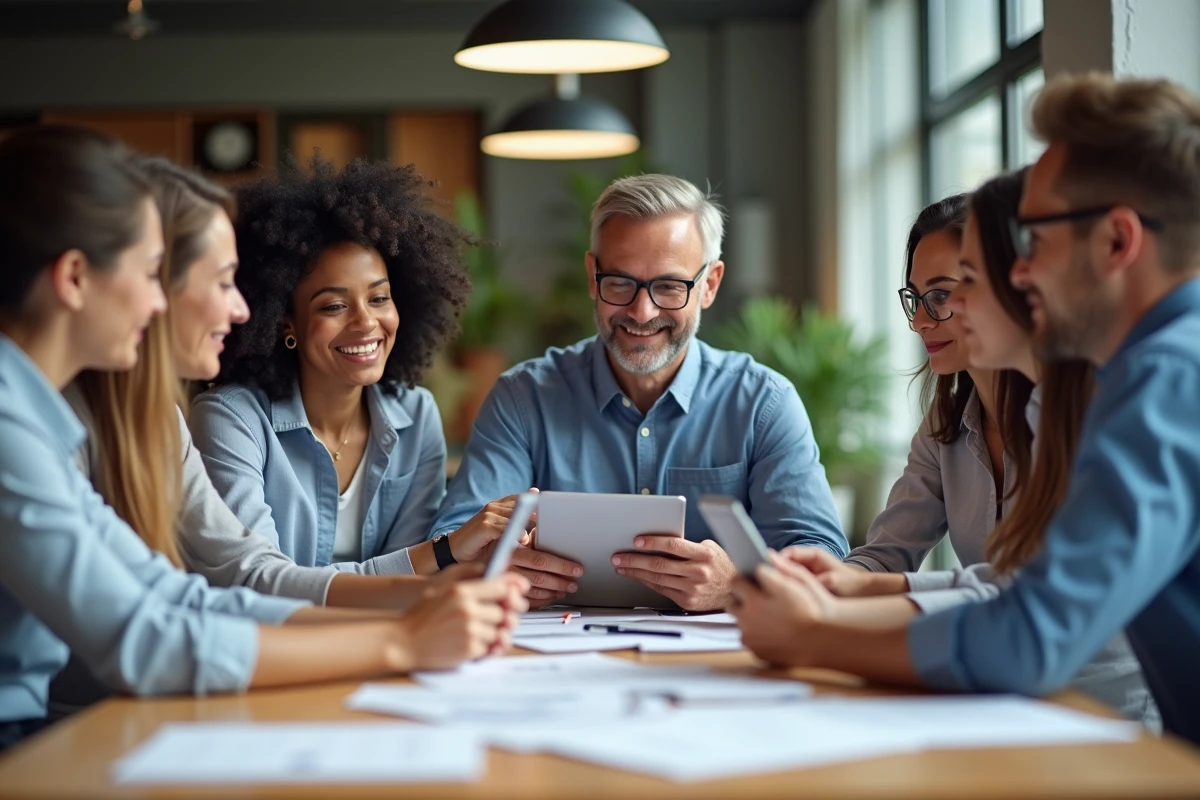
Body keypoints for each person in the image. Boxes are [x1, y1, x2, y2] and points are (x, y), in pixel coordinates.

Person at [0, 126, 525, 750]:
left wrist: (420, 602)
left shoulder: (64, 416)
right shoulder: (17, 427)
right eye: (151, 271)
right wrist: (403, 635)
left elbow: (177, 594)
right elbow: (146, 638)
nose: (242, 310)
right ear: (77, 278)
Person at [730, 73, 1200, 745]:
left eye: (1032, 241)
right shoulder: (1150, 373)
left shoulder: (1167, 381)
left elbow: (1029, 636)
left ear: (1118, 242)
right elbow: (1021, 592)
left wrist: (810, 638)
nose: (1019, 272)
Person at [68, 157, 477, 610]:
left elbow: (178, 606)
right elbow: (250, 582)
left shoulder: (160, 423)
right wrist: (434, 572)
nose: (239, 310)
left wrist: (430, 599)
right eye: (223, 284)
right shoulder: (218, 416)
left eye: (379, 298)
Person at [431, 174, 848, 611]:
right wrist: (496, 568)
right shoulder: (523, 398)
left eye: (669, 286)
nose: (641, 311)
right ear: (593, 277)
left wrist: (736, 585)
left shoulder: (764, 403)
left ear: (708, 285)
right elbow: (454, 543)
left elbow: (824, 557)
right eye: (620, 282)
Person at [190, 157, 522, 578]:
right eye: (334, 305)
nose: (366, 322)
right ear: (284, 320)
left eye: (379, 298)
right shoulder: (231, 419)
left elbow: (411, 583)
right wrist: (443, 552)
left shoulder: (416, 417)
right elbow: (258, 581)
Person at [838, 193, 1036, 591]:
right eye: (915, 299)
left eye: (941, 296)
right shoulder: (946, 424)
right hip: (990, 648)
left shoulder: (1069, 413)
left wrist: (880, 589)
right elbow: (886, 553)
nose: (920, 323)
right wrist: (828, 579)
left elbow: (1031, 585)